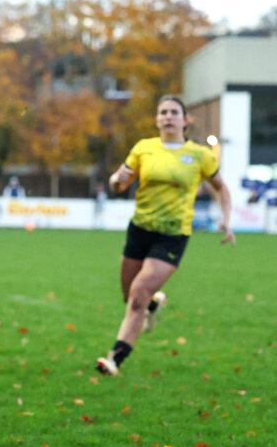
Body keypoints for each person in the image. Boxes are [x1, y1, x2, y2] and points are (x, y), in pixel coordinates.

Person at [95, 95, 235, 376]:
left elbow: (221, 188)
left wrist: (226, 220)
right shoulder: (144, 148)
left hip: (172, 235)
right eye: (163, 112)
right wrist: (115, 180)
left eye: (174, 112)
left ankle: (115, 359)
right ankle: (155, 302)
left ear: (185, 119)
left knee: (137, 296)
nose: (168, 116)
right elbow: (118, 183)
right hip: (140, 230)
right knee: (129, 294)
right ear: (157, 119)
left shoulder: (200, 155)